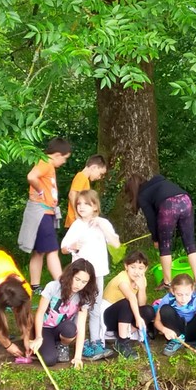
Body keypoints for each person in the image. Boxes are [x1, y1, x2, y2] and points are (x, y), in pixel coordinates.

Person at [61, 190, 120, 360]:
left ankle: (95, 341)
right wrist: (73, 245)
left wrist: (101, 226)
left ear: (95, 206)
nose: (81, 207)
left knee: (95, 307)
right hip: (78, 275)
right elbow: (64, 248)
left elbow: (115, 243)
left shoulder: (103, 223)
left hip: (98, 273)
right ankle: (68, 341)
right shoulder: (77, 225)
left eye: (86, 204)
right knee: (74, 307)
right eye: (78, 204)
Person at [125, 174, 196, 291]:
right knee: (190, 244)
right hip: (185, 200)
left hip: (169, 205)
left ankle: (167, 282)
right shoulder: (159, 181)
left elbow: (151, 219)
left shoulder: (142, 195)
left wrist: (156, 239)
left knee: (165, 246)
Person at [18, 137, 72, 293]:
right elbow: (31, 176)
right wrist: (40, 190)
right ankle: (63, 285)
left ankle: (35, 286)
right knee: (52, 250)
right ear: (57, 155)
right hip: (42, 212)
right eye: (64, 158)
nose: (64, 162)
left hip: (45, 211)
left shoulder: (46, 163)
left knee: (39, 251)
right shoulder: (46, 163)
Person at [30, 259, 98, 368]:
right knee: (49, 360)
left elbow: (81, 327)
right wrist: (38, 337)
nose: (79, 285)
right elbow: (40, 313)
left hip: (62, 328)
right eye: (77, 279)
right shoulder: (53, 287)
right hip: (45, 328)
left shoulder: (84, 296)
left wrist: (78, 357)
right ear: (70, 275)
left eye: (84, 282)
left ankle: (62, 345)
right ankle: (48, 345)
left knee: (71, 328)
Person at [155, 274, 196, 358]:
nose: (183, 299)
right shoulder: (167, 299)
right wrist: (164, 330)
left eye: (187, 294)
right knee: (165, 309)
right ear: (172, 291)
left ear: (192, 290)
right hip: (177, 332)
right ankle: (176, 342)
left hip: (193, 330)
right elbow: (157, 321)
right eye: (179, 295)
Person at [102, 250, 156, 353]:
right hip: (108, 316)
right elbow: (131, 297)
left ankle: (124, 333)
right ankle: (122, 342)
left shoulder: (141, 279)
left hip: (124, 317)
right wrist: (138, 318)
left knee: (149, 310)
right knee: (126, 303)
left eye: (141, 268)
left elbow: (141, 304)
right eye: (133, 267)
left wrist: (142, 288)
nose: (137, 272)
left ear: (145, 269)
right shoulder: (122, 278)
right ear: (126, 266)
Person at [64, 154, 108, 228]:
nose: (100, 177)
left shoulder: (85, 180)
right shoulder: (81, 176)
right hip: (76, 220)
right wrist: (77, 214)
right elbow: (72, 194)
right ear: (94, 167)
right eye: (100, 174)